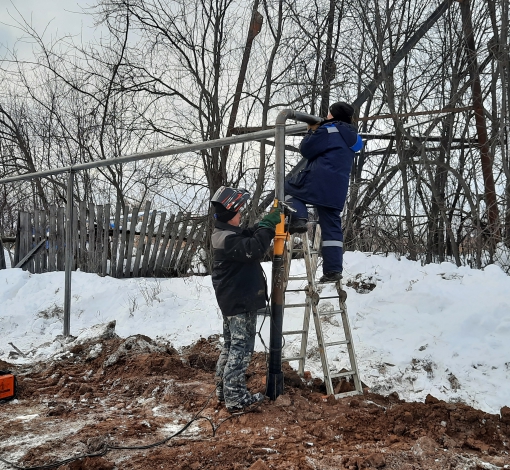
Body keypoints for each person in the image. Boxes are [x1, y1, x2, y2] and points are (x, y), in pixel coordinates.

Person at [210, 186, 281, 413]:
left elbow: (248, 235)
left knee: (231, 346)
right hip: (239, 303)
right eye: (238, 211)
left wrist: (262, 225)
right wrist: (269, 227)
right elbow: (253, 248)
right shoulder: (227, 240)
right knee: (240, 349)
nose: (241, 214)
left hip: (232, 301)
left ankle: (223, 390)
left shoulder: (225, 234)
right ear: (230, 216)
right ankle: (235, 397)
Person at [284, 101, 363, 283]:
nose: (326, 116)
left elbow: (306, 150)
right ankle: (333, 270)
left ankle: (299, 219)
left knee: (286, 188)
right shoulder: (353, 137)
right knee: (332, 226)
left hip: (318, 180)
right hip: (338, 188)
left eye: (328, 113)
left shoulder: (328, 130)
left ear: (333, 115)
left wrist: (312, 131)